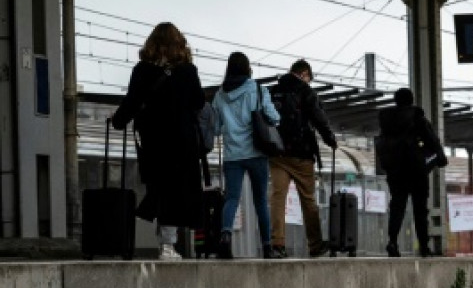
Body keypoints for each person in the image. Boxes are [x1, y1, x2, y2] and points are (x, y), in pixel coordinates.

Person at [110, 22, 206, 260]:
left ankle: (147, 232)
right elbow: (199, 102)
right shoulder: (188, 71)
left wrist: (118, 121)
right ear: (179, 44)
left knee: (159, 188)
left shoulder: (142, 70)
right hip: (182, 142)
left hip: (153, 142)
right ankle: (167, 245)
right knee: (175, 191)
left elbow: (131, 101)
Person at [210, 52, 280, 259]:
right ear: (248, 68)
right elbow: (274, 118)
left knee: (231, 198)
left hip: (233, 155)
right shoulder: (258, 89)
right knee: (260, 201)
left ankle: (225, 236)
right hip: (257, 153)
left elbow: (215, 128)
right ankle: (267, 247)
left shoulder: (219, 95)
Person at [268, 59, 337, 258]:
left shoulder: (273, 91)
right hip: (301, 154)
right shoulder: (306, 91)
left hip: (277, 153)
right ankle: (315, 244)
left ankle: (277, 244)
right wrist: (330, 139)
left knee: (278, 198)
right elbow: (319, 118)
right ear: (304, 73)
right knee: (308, 199)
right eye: (309, 78)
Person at [377, 87, 443, 257]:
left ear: (396, 100)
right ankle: (424, 246)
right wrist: (441, 158)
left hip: (396, 172)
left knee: (397, 207)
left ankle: (392, 242)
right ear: (411, 100)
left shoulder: (387, 121)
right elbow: (432, 140)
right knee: (420, 209)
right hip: (417, 171)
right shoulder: (417, 118)